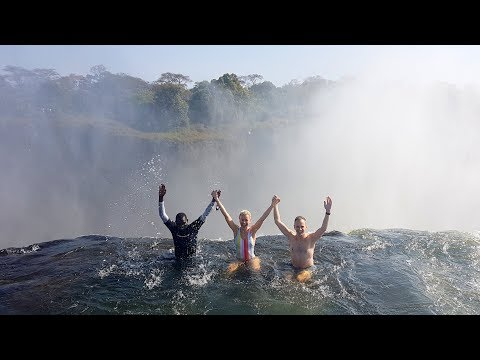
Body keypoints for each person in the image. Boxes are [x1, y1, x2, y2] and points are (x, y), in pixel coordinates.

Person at [272, 195, 332, 283]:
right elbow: (277, 221)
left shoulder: (311, 238)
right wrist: (275, 205)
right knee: (286, 281)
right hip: (292, 267)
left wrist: (327, 212)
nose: (299, 229)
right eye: (297, 227)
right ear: (294, 227)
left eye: (302, 227)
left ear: (306, 227)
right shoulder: (290, 236)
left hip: (307, 269)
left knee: (299, 280)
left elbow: (323, 228)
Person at [213, 191, 276, 273]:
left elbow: (262, 219)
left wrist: (272, 205)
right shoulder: (236, 230)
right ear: (239, 219)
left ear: (250, 221)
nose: (244, 222)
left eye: (246, 220)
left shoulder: (252, 231)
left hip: (252, 260)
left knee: (256, 273)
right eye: (242, 220)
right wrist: (217, 200)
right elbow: (226, 216)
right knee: (228, 272)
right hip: (239, 260)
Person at [158, 183, 219, 260]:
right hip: (177, 260)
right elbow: (162, 215)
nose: (182, 227)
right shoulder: (175, 228)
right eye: (179, 224)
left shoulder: (193, 227)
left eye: (183, 224)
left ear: (187, 221)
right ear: (176, 223)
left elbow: (205, 214)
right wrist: (161, 198)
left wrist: (214, 200)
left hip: (192, 260)